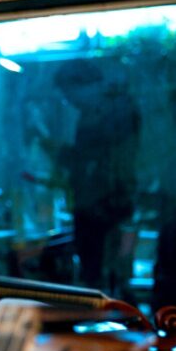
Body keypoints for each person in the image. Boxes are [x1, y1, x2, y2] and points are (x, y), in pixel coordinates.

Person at [50, 60, 139, 295]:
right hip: (93, 210)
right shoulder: (90, 116)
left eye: (69, 93)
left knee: (110, 283)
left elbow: (107, 164)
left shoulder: (116, 113)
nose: (69, 100)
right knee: (96, 281)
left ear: (88, 85)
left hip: (106, 211)